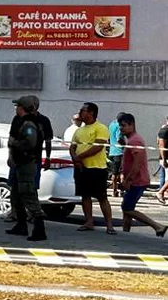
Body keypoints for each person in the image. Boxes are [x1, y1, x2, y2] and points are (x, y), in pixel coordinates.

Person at [116, 113, 167, 237]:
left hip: (137, 181)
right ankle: (125, 233)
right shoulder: (131, 140)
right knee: (127, 207)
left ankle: (157, 226)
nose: (121, 128)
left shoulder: (135, 140)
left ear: (131, 125)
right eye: (120, 126)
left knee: (127, 208)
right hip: (134, 180)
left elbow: (137, 163)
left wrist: (129, 180)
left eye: (123, 125)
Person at [6, 96, 47, 241]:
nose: (16, 108)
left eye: (18, 106)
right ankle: (21, 225)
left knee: (28, 194)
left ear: (22, 108)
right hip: (19, 163)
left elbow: (30, 143)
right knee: (16, 195)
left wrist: (14, 143)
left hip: (26, 163)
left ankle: (39, 228)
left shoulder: (29, 124)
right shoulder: (20, 121)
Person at [71, 102, 116, 234]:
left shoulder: (100, 128)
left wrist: (80, 156)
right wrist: (75, 157)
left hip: (97, 168)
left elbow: (98, 146)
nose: (80, 112)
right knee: (85, 196)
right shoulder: (78, 130)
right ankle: (88, 222)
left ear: (91, 113)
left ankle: (109, 225)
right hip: (81, 168)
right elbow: (72, 146)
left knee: (102, 197)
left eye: (83, 110)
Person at [109, 114, 127, 198]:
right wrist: (125, 145)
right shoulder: (119, 126)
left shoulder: (111, 124)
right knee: (122, 172)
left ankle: (114, 191)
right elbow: (119, 138)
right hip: (119, 152)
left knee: (114, 173)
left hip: (112, 151)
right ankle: (122, 191)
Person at [158, 116, 168, 206]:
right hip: (166, 158)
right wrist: (164, 159)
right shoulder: (164, 131)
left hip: (165, 158)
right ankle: (160, 193)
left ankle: (162, 194)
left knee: (166, 179)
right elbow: (161, 145)